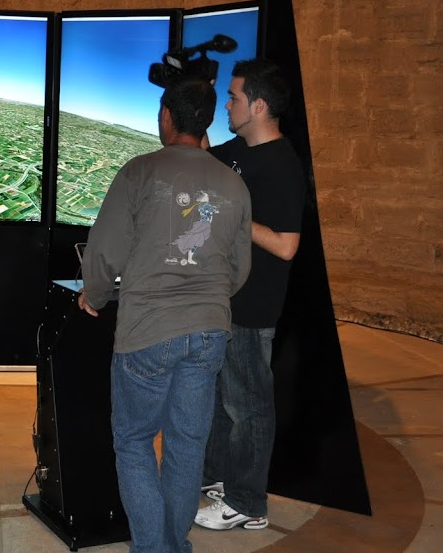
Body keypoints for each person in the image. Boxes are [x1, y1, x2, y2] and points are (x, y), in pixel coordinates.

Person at [77, 75, 251, 552]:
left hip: (148, 330)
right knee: (187, 445)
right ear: (207, 122)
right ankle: (173, 545)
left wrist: (95, 295)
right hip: (210, 332)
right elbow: (239, 270)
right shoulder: (234, 184)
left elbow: (105, 251)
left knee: (134, 443)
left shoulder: (140, 171)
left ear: (167, 117)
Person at [193, 59, 306, 531]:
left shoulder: (282, 164)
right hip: (227, 300)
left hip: (253, 306)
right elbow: (203, 157)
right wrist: (193, 95)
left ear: (258, 106)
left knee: (250, 407)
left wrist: (234, 215)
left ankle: (248, 503)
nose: (228, 104)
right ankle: (221, 480)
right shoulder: (239, 149)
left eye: (233, 97)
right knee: (224, 401)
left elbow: (286, 245)